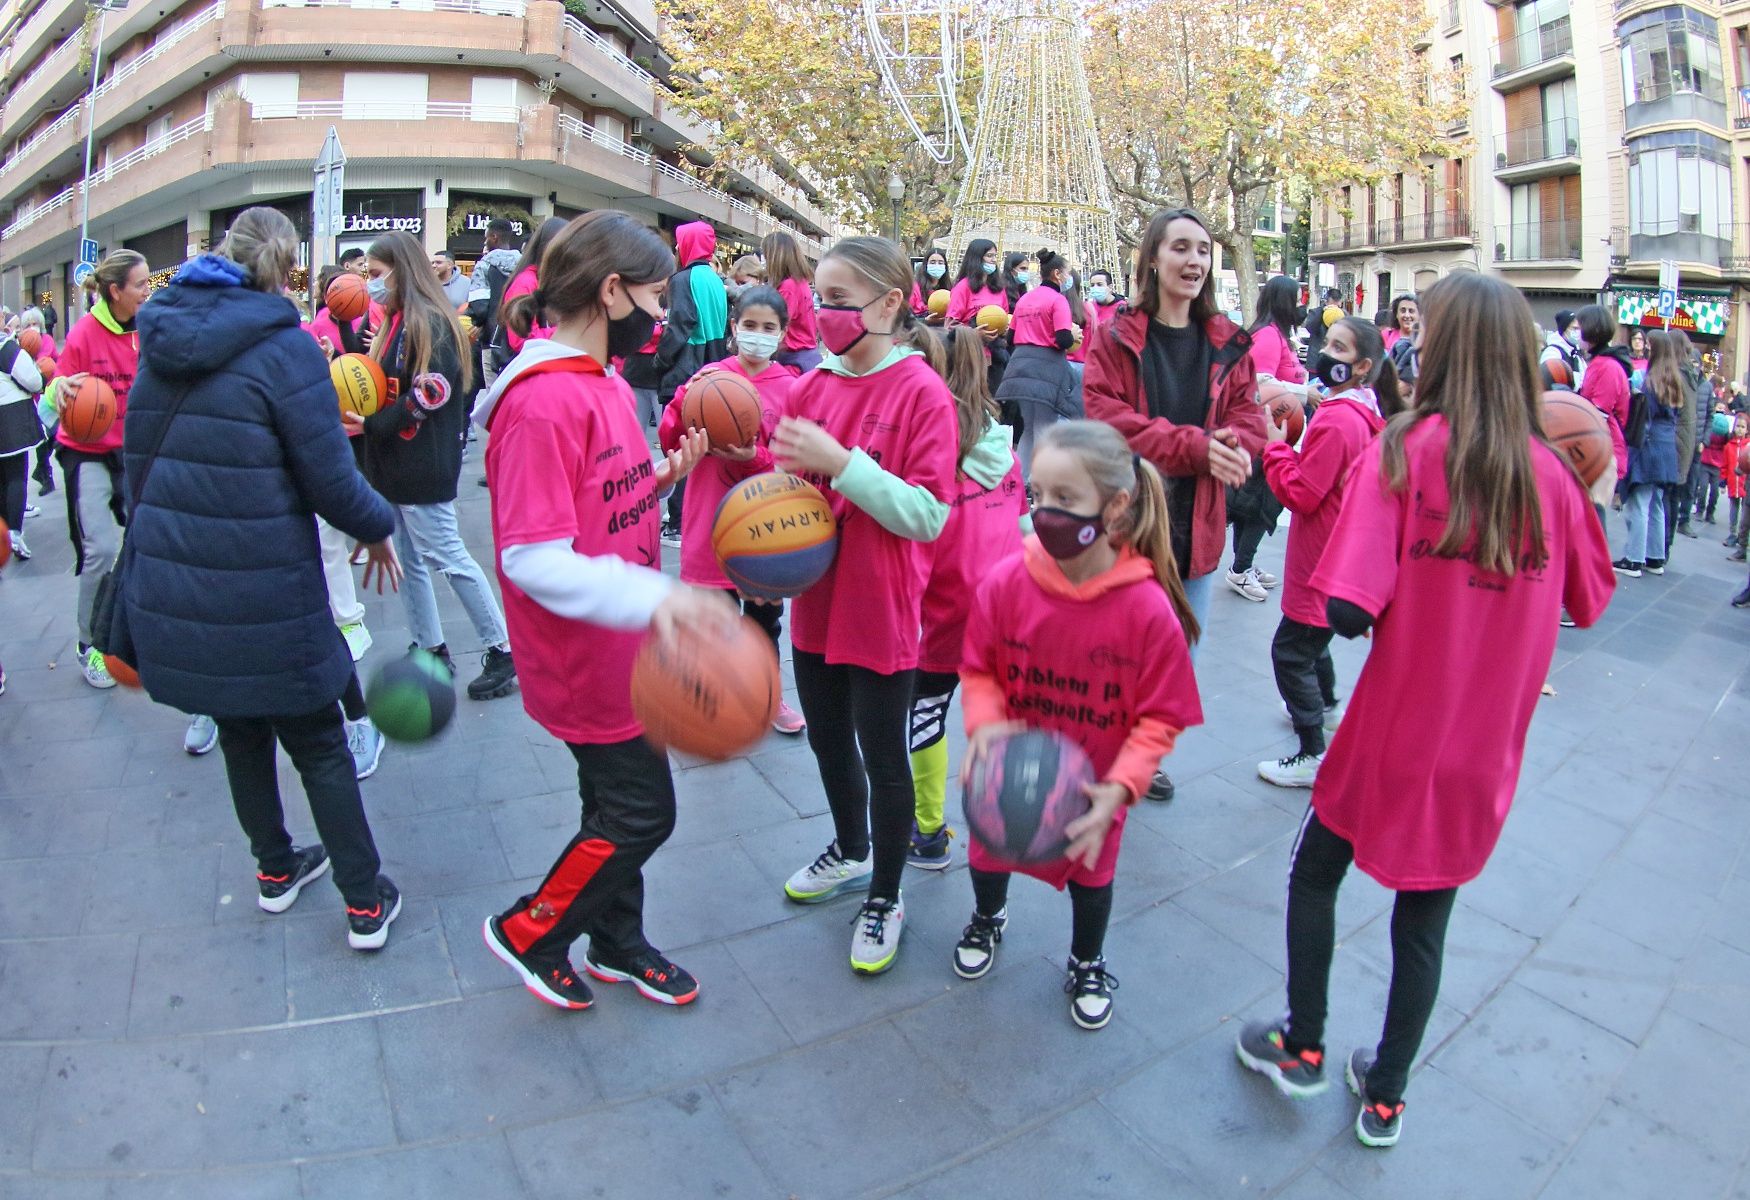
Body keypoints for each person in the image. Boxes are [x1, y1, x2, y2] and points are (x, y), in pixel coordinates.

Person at [1234, 272, 1615, 1149]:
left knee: (1315, 875)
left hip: (1391, 730)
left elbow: (1347, 611)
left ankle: (1303, 1044)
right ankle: (1387, 1096)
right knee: (1425, 921)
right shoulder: (1553, 476)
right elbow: (1591, 602)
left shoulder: (1408, 449)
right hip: (1484, 750)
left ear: (1434, 348)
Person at [122, 207, 407, 951]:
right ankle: (364, 901)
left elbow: (134, 471)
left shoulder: (156, 343)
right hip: (267, 584)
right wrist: (379, 524)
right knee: (318, 741)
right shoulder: (285, 350)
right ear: (282, 267)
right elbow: (330, 479)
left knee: (242, 732)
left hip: (180, 578)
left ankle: (276, 871)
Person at [472, 210, 726, 1010]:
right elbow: (532, 557)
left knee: (610, 809)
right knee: (642, 814)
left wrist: (656, 477)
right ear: (611, 293)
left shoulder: (601, 383)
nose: (665, 319)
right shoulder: (543, 404)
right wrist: (664, 598)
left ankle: (617, 940)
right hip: (588, 660)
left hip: (623, 649)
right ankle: (531, 929)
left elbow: (593, 502)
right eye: (656, 301)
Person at [953, 419, 1202, 1029]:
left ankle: (1086, 958)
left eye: (1066, 499)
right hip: (1010, 771)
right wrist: (985, 726)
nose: (1045, 512)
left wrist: (1122, 786)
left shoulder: (1147, 611)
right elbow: (979, 667)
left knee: (1094, 877)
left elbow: (1160, 717)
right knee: (988, 854)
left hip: (1093, 786)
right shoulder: (1007, 582)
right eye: (1037, 496)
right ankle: (989, 917)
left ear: (1116, 507)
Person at [770, 235, 958, 975]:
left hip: (881, 605)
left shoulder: (921, 393)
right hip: (815, 599)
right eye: (819, 299)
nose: (824, 315)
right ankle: (851, 850)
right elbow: (784, 501)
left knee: (885, 757)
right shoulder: (811, 387)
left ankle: (886, 891)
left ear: (888, 304)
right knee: (825, 738)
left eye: (840, 302)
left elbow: (929, 515)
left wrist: (844, 464)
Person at [1083, 207, 1264, 803]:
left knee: (1175, 654)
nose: (1194, 261)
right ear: (1153, 259)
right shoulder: (1115, 336)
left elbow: (1250, 419)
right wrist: (1197, 446)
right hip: (1127, 521)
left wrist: (1237, 444)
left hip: (1198, 527)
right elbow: (1108, 422)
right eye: (1181, 248)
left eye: (1203, 251)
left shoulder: (1229, 343)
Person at [356, 230, 517, 699]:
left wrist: (374, 422)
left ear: (401, 271)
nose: (371, 283)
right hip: (399, 463)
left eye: (376, 274)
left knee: (448, 555)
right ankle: (431, 645)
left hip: (421, 462)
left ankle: (501, 649)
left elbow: (431, 391)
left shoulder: (428, 322)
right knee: (411, 558)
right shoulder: (400, 321)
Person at [655, 284, 807, 734]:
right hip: (710, 520)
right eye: (749, 326)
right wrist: (684, 405)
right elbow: (670, 440)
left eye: (769, 328)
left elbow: (795, 464)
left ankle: (768, 695)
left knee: (764, 622)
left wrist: (755, 456)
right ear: (733, 329)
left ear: (782, 335)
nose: (758, 335)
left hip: (765, 528)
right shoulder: (709, 381)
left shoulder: (793, 389)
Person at [1257, 316, 1401, 789]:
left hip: (1321, 554)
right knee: (1313, 642)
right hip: (1334, 551)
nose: (1326, 354)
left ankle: (1311, 749)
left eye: (1338, 349)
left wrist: (1276, 450)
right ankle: (1327, 704)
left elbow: (1302, 492)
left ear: (1361, 366)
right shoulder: (1359, 412)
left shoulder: (1339, 420)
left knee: (1291, 652)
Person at [907, 326, 1027, 871]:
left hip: (942, 618)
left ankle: (927, 830)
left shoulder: (928, 461)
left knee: (927, 713)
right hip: (1003, 615)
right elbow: (1026, 533)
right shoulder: (1006, 450)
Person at [52, 250, 150, 692]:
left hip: (132, 451)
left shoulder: (149, 329)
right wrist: (60, 388)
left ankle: (133, 633)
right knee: (99, 550)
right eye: (141, 284)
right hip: (87, 451)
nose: (148, 291)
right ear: (116, 291)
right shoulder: (83, 335)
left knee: (145, 543)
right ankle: (88, 643)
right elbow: (52, 393)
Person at [1227, 274, 1304, 602]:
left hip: (1268, 431)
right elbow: (1262, 382)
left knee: (1251, 502)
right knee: (1261, 503)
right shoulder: (1270, 337)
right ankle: (1241, 569)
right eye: (1298, 298)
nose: (1302, 305)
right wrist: (1306, 391)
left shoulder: (1272, 334)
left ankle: (1243, 565)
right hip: (1263, 433)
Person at [656, 221, 730, 544]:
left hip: (686, 369)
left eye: (678, 243)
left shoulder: (682, 280)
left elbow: (681, 324)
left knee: (682, 448)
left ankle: (677, 521)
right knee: (702, 449)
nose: (675, 250)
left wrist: (660, 358)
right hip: (714, 368)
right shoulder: (715, 280)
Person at [996, 246, 1079, 472]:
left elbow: (1011, 336)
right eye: (1067, 272)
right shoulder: (1058, 300)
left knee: (1028, 428)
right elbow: (1063, 339)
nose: (1068, 278)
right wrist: (1073, 335)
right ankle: (1041, 479)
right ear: (1057, 274)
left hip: (1020, 367)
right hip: (1046, 368)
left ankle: (1022, 480)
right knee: (1045, 427)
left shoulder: (1025, 299)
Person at [1613, 329, 1682, 578]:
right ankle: (1655, 557)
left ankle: (1634, 558)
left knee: (1640, 504)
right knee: (1656, 505)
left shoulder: (1650, 381)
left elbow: (1644, 417)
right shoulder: (1674, 379)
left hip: (1648, 445)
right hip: (1667, 448)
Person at [1576, 303, 1633, 530]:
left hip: (1601, 450)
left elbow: (1597, 414)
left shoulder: (1607, 366)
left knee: (1591, 518)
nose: (1576, 333)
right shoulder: (1603, 363)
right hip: (1598, 448)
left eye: (1579, 328)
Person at [0, 322, 45, 562]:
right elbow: (33, 381)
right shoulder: (7, 349)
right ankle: (14, 534)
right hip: (11, 421)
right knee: (16, 477)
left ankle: (2, 537)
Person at [466, 217, 523, 394]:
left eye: (486, 237)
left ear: (494, 237)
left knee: (495, 395)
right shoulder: (523, 265)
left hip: (492, 341)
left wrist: (477, 322)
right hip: (519, 339)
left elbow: (479, 307)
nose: (485, 241)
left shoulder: (483, 266)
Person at [761, 231, 818, 374]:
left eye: (765, 255)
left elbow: (775, 324)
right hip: (804, 355)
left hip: (793, 359)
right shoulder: (799, 282)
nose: (763, 260)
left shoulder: (788, 287)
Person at [1668, 329, 1705, 545]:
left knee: (1669, 496)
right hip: (1685, 442)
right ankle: (1666, 545)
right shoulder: (1690, 375)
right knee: (1675, 495)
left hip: (1676, 441)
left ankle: (1662, 547)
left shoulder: (1678, 376)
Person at [1540, 308, 1586, 391]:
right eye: (1574, 328)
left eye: (1579, 328)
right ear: (1564, 329)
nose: (1578, 332)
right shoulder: (1553, 352)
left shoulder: (1576, 352)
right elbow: (1548, 378)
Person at [1723, 412, 1749, 549]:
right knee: (1733, 509)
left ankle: (1742, 535)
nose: (1740, 429)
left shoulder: (1748, 446)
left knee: (1745, 514)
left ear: (1747, 430)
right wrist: (1723, 481)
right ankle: (1732, 533)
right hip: (1733, 483)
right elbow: (1725, 465)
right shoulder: (1728, 446)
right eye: (1737, 426)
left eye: (1743, 427)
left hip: (1745, 485)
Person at [913, 246, 950, 320]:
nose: (937, 265)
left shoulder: (950, 288)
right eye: (932, 262)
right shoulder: (914, 288)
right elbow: (905, 318)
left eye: (940, 263)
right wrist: (924, 320)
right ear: (925, 265)